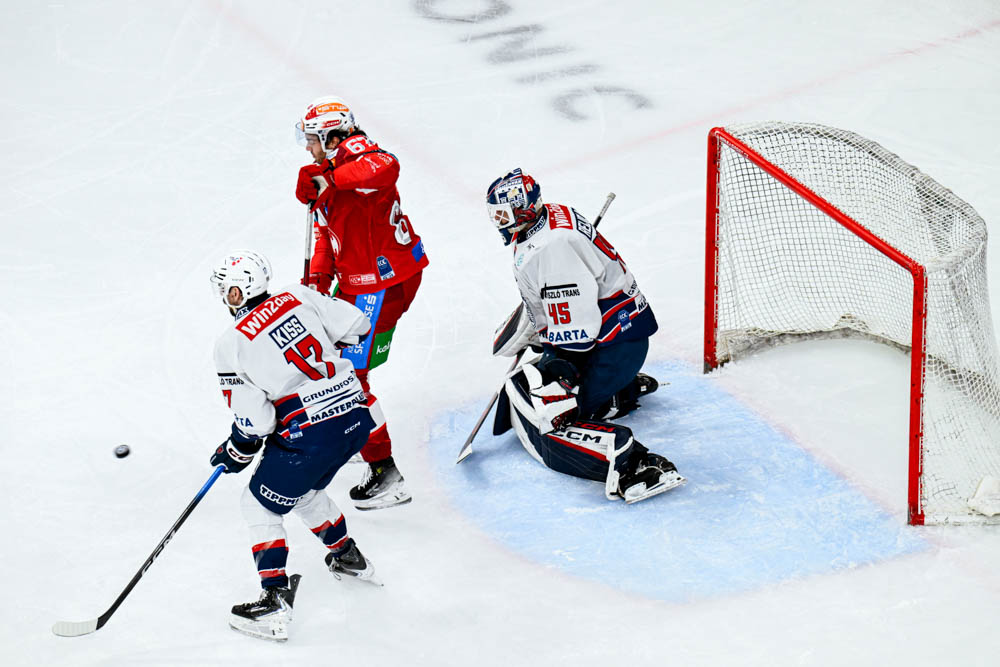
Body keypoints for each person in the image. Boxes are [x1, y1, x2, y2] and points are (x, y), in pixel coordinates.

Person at [209, 249, 381, 642]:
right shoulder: (299, 295)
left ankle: (274, 601)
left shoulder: (231, 343)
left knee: (257, 504)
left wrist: (236, 450)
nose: (223, 298)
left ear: (238, 292)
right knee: (302, 492)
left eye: (226, 290)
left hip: (312, 434)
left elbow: (257, 424)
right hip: (356, 417)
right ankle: (347, 555)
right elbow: (358, 326)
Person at [486, 169, 685, 503]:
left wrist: (553, 357)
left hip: (615, 349)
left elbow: (577, 333)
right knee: (543, 378)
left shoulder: (549, 249)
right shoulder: (548, 220)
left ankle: (634, 463)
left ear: (522, 210)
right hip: (619, 338)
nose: (499, 223)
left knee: (553, 419)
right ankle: (615, 392)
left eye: (503, 215)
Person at [294, 96, 428, 511]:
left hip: (381, 283)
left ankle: (385, 473)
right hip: (363, 282)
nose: (307, 148)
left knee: (348, 377)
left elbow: (385, 166)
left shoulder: (358, 153)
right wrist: (317, 285)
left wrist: (329, 179)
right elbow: (327, 236)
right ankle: (360, 429)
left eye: (313, 139)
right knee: (337, 362)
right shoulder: (331, 171)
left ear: (332, 136)